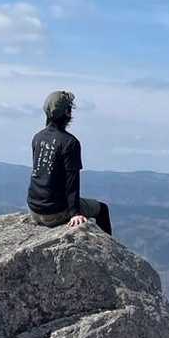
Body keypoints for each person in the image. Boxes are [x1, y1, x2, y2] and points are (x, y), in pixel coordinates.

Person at [27, 90, 113, 234]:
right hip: (55, 212)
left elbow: (40, 174)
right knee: (102, 209)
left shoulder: (38, 138)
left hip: (34, 209)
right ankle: (108, 248)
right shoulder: (70, 143)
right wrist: (75, 213)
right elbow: (71, 181)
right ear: (67, 112)